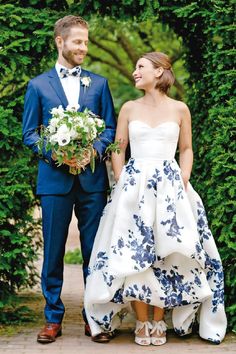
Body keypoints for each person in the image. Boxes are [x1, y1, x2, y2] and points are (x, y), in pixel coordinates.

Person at [84, 52, 227, 346]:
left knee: (166, 251)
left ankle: (159, 319)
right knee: (134, 253)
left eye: (141, 67)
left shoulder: (180, 109)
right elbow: (117, 148)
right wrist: (123, 181)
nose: (135, 72)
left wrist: (182, 179)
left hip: (170, 187)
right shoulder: (128, 108)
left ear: (159, 71)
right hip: (134, 188)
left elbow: (186, 149)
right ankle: (142, 320)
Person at [22, 15, 116, 344]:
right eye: (78, 42)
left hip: (92, 183)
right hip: (54, 181)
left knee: (94, 251)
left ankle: (95, 317)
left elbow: (110, 129)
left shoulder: (99, 84)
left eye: (86, 42)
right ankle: (52, 318)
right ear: (60, 42)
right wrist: (57, 154)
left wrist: (93, 150)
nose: (84, 48)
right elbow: (29, 134)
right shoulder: (37, 86)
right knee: (53, 251)